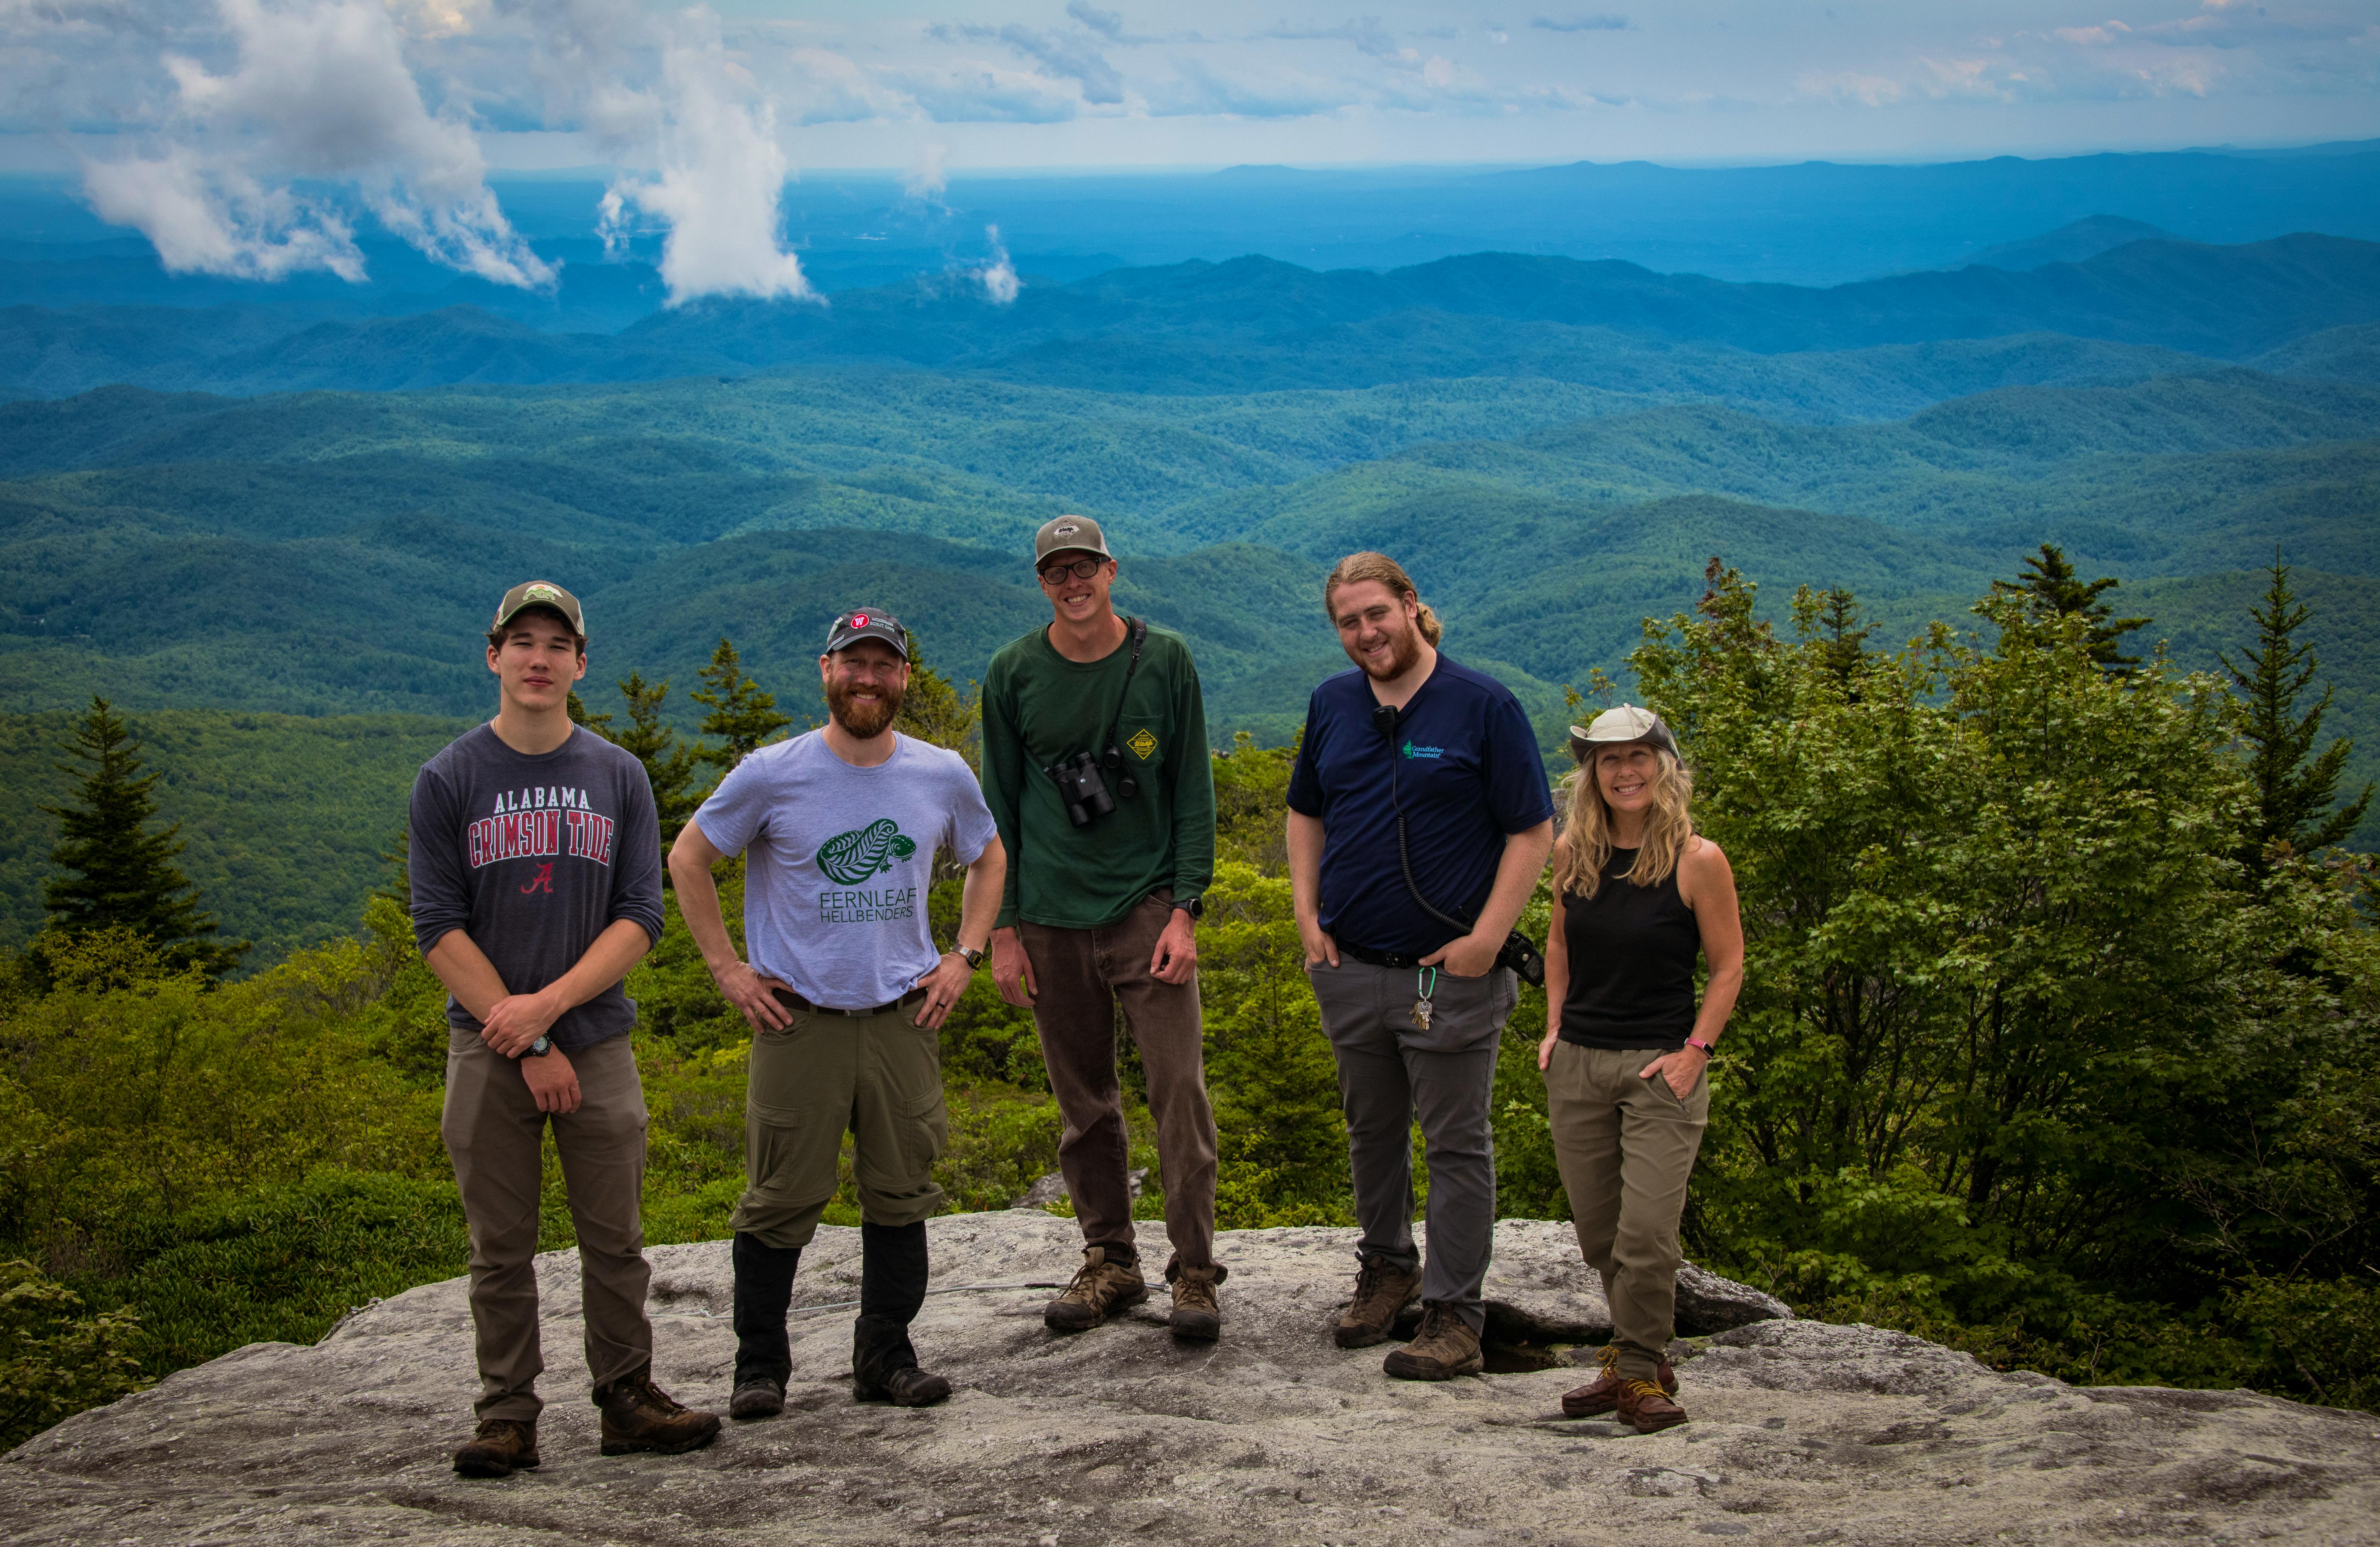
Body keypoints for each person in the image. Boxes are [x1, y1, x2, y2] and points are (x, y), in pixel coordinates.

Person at [410, 580, 720, 1480]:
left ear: (581, 663)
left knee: (613, 1237)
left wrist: (550, 1013)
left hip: (597, 1040)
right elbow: (437, 925)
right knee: (498, 1245)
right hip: (488, 1050)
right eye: (522, 642)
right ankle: (507, 1415)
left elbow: (640, 914)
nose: (538, 659)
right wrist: (528, 1039)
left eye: (556, 645)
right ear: (494, 655)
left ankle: (626, 1396)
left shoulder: (617, 774)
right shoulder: (451, 778)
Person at [668, 608, 1006, 1418]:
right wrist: (728, 971)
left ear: (904, 679)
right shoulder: (770, 772)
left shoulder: (941, 772)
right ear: (825, 671)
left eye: (883, 665)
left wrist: (965, 954)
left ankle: (884, 1355)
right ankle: (760, 1367)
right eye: (853, 663)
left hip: (903, 1016)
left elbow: (990, 853)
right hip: (799, 1019)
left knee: (901, 1191)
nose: (868, 678)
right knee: (780, 1196)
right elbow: (688, 857)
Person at [1287, 552, 1555, 1380]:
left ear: (1411, 606)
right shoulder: (1333, 703)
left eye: (1377, 614)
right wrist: (1306, 915)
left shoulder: (1483, 706)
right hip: (1352, 965)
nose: (1365, 634)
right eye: (1348, 622)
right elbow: (1305, 813)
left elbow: (1533, 830)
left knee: (1455, 1144)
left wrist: (1485, 940)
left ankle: (1454, 1314)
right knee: (1371, 1133)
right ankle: (1387, 1267)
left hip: (1452, 976)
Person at [981, 514, 1226, 1341]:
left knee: (1177, 1095)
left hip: (1147, 909)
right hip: (1047, 917)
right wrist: (1003, 931)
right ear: (1042, 582)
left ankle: (1195, 1270)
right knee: (1083, 1106)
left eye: (1084, 567)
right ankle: (1110, 1261)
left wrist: (1187, 910)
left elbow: (1193, 790)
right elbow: (999, 809)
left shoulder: (1166, 661)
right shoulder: (1014, 672)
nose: (1072, 583)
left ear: (1112, 571)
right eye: (1057, 573)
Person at [1538, 704, 1744, 1434]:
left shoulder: (1698, 859)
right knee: (1600, 1235)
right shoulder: (1574, 852)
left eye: (1638, 756)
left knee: (1647, 1235)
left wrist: (1696, 1054)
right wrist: (1555, 1028)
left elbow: (1728, 968)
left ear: (1664, 763)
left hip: (1662, 1069)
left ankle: (1633, 1374)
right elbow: (1559, 945)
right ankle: (1641, 1361)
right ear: (1591, 772)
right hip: (1580, 1064)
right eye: (1608, 759)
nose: (1625, 771)